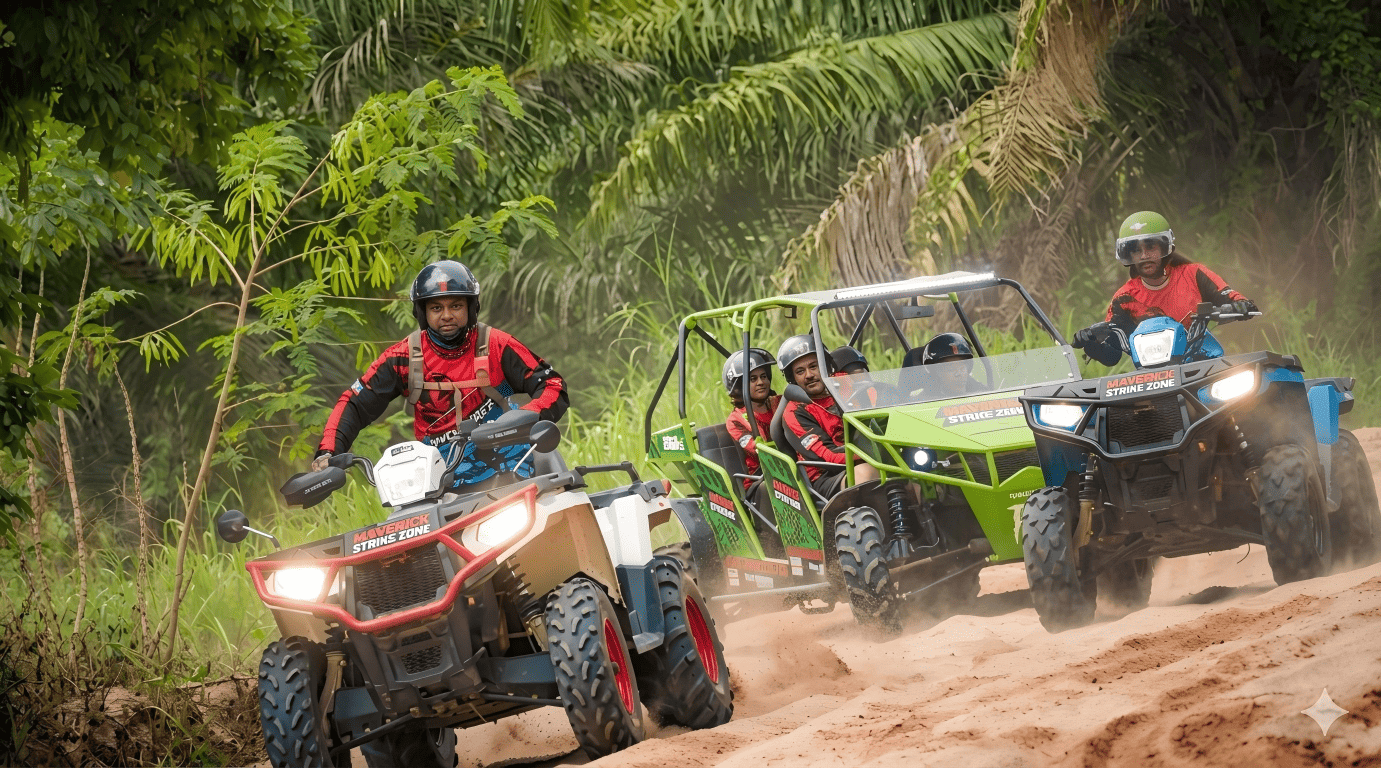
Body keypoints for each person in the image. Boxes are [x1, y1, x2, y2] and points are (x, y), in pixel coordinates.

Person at [312, 261, 569, 488]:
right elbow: (355, 404)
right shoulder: (402, 358)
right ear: (423, 313)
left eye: (456, 306)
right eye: (436, 308)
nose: (447, 316)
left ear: (471, 308)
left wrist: (523, 417)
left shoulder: (494, 345)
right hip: (435, 481)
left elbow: (551, 383)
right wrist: (328, 453)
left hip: (512, 463)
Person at [1072, 211, 1259, 366]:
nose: (1144, 255)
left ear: (1164, 248)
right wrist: (1090, 343)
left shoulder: (1193, 274)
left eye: (1151, 247)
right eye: (1136, 250)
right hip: (1149, 376)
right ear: (1128, 255)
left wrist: (1241, 306)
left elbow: (1232, 298)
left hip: (1203, 363)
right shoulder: (1123, 298)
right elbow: (1111, 355)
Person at [778, 335, 879, 498]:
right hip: (825, 475)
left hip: (864, 456)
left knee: (914, 477)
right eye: (800, 371)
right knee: (866, 472)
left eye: (814, 366)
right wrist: (874, 452)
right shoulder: (795, 412)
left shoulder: (843, 382)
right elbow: (828, 456)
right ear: (793, 378)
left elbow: (877, 399)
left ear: (825, 366)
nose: (809, 375)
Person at [722, 347, 780, 491]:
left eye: (764, 376)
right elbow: (756, 449)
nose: (761, 382)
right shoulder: (736, 420)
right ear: (739, 386)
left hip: (791, 466)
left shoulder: (779, 403)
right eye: (753, 379)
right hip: (761, 478)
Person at [913, 332, 985, 399]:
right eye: (951, 369)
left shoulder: (981, 392)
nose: (959, 374)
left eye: (962, 367)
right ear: (936, 373)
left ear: (969, 367)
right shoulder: (923, 401)